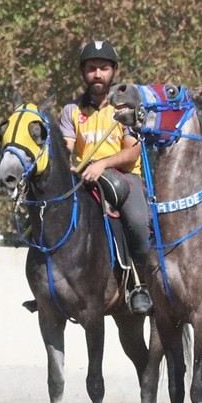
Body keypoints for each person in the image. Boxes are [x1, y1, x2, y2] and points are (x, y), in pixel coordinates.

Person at [59, 40, 153, 316]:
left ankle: (141, 285)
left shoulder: (125, 107)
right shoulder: (71, 111)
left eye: (103, 68)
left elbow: (132, 153)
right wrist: (68, 166)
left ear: (113, 71)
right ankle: (49, 288)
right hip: (85, 179)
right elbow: (66, 147)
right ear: (83, 73)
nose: (97, 74)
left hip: (123, 179)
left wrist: (101, 164)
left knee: (136, 222)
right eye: (91, 69)